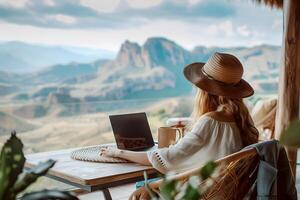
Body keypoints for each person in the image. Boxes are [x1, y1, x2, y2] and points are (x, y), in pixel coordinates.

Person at [100, 52, 259, 174]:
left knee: (141, 190)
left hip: (204, 194)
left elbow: (167, 158)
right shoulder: (242, 119)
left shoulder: (210, 121)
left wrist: (118, 152)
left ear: (206, 90)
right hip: (227, 192)